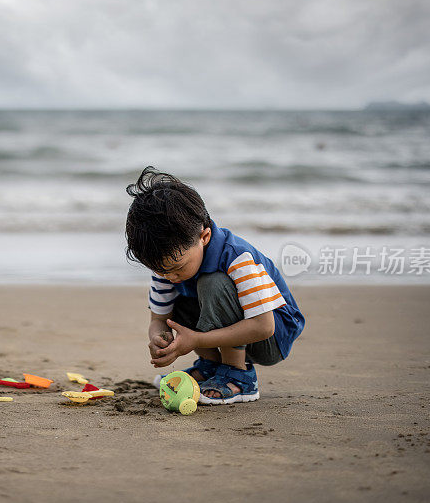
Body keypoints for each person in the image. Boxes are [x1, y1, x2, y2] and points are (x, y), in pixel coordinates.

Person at [125, 167, 305, 405]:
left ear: (205, 236)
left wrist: (197, 340)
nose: (169, 276)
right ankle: (211, 367)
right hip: (230, 327)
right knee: (181, 294)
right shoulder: (166, 267)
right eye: (159, 269)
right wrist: (159, 339)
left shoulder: (237, 257)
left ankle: (238, 376)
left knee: (213, 282)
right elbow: (158, 319)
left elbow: (264, 326)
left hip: (272, 336)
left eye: (177, 267)